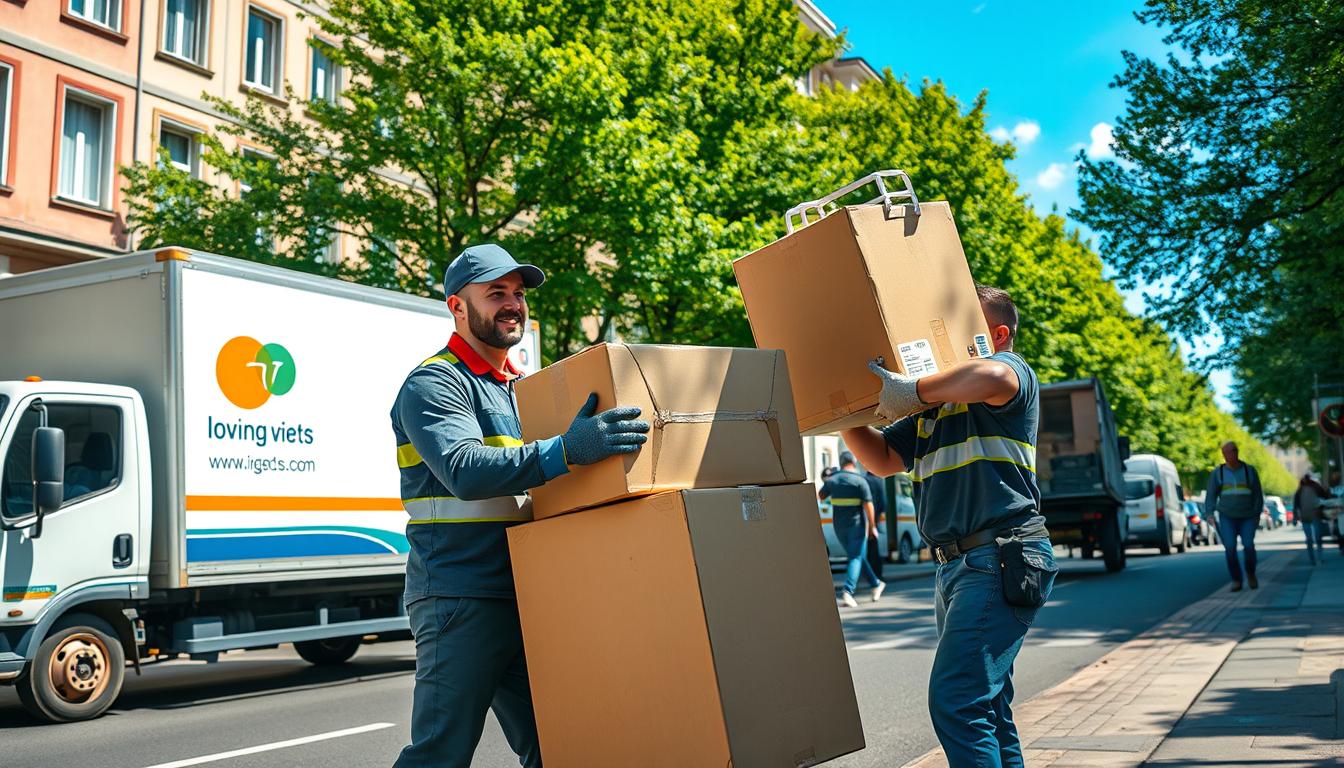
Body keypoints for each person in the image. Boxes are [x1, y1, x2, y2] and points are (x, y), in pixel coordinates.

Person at [391, 244, 651, 768]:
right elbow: (465, 470)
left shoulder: (518, 391)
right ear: (457, 307)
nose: (512, 304)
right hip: (459, 595)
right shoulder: (434, 384)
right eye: (495, 294)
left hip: (525, 593)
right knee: (440, 755)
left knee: (558, 745)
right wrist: (567, 450)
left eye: (518, 293)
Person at [842, 285, 1054, 768]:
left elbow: (989, 375)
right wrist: (844, 412)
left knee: (957, 701)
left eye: (965, 325)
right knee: (988, 707)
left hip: (999, 554)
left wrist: (913, 390)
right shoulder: (932, 410)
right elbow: (880, 458)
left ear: (998, 334)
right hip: (959, 566)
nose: (948, 335)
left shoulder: (1011, 372)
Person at [819, 452, 886, 608]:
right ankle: (853, 590)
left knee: (855, 556)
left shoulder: (832, 480)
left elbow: (820, 496)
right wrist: (873, 527)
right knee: (856, 556)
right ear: (854, 462)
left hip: (839, 527)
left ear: (841, 462)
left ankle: (870, 585)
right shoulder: (860, 481)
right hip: (857, 526)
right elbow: (869, 505)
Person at [1205, 441, 1265, 592]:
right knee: (1230, 548)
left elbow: (1258, 495)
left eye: (1231, 452)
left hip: (1247, 516)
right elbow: (1211, 495)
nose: (1228, 456)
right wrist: (1210, 513)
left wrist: (1257, 513)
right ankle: (1236, 579)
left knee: (1249, 546)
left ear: (1236, 452)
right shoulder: (1217, 473)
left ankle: (1251, 573)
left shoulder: (1249, 471)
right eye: (1225, 453)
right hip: (1227, 516)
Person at [1293, 473, 1331, 565]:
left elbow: (1296, 504)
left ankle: (1312, 558)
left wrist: (1295, 517)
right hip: (1315, 514)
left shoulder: (1300, 490)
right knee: (1317, 537)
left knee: (1309, 538)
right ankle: (1319, 557)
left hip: (1305, 515)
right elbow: (1325, 496)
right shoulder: (1316, 487)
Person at [864, 467, 887, 580]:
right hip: (875, 518)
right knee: (874, 547)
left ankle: (868, 574)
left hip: (864, 517)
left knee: (866, 547)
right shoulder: (878, 481)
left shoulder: (863, 479)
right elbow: (883, 502)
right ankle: (877, 574)